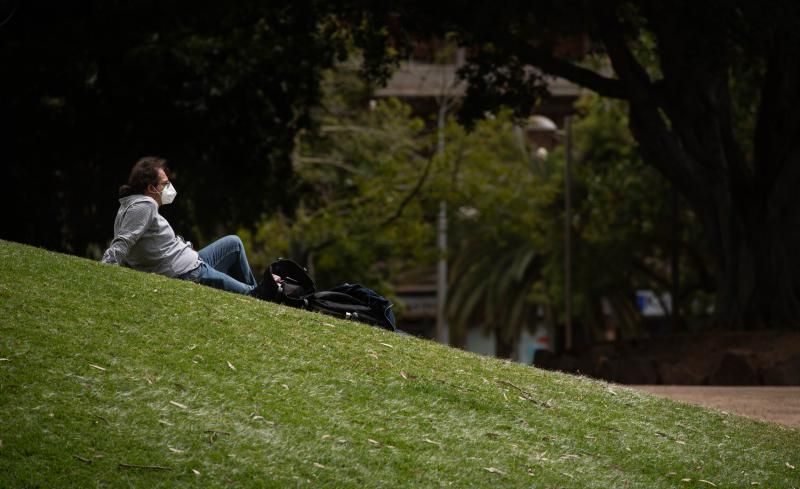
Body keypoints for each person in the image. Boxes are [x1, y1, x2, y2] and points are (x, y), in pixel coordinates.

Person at [101, 156, 274, 298]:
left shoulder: (130, 205)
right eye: (165, 183)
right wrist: (106, 267)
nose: (169, 188)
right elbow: (124, 240)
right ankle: (258, 298)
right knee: (252, 293)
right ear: (151, 188)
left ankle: (257, 297)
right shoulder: (145, 206)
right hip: (188, 272)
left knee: (234, 244)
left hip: (190, 261)